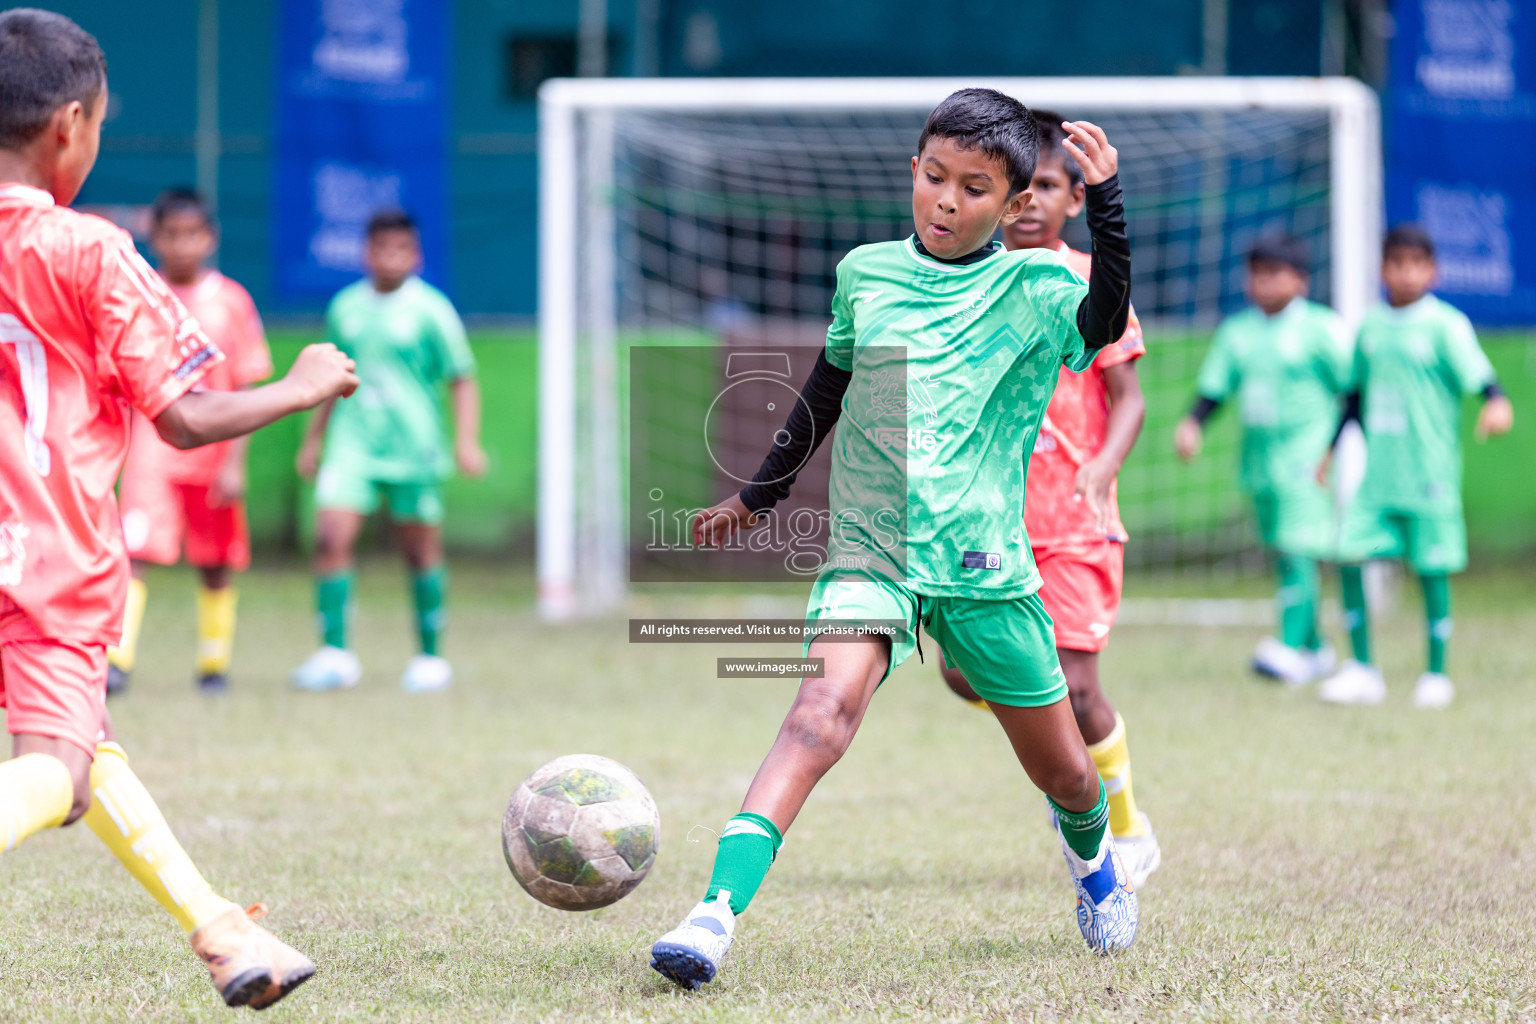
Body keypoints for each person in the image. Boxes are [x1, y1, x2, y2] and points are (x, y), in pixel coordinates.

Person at [649, 88, 1138, 991]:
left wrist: (1106, 205)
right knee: (817, 714)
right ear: (914, 170)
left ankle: (1097, 865)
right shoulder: (865, 273)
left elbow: (1103, 326)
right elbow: (827, 390)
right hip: (871, 550)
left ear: (1016, 201)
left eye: (976, 189)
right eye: (937, 178)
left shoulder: (1036, 287)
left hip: (985, 565)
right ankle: (711, 915)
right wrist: (758, 496)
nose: (948, 202)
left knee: (1067, 774)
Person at [0, 9, 358, 1009]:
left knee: (88, 747)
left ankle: (223, 933)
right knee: (56, 773)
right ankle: (221, 931)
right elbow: (187, 416)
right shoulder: (92, 252)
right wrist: (300, 384)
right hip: (43, 560)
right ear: (72, 126)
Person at [933, 109, 1157, 886]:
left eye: (1049, 188)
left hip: (1074, 522)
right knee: (959, 674)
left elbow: (1127, 396)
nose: (1029, 202)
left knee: (1079, 682)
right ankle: (1053, 741)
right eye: (1019, 189)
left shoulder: (1090, 280)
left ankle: (1124, 830)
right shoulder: (969, 279)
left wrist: (1102, 463)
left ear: (1070, 201)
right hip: (990, 520)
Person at [291, 208, 486, 694]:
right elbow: (327, 380)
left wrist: (465, 441)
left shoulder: (432, 311)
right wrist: (313, 439)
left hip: (413, 448)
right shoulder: (346, 308)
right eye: (381, 248)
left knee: (420, 549)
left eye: (401, 248)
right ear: (367, 252)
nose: (390, 257)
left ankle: (429, 658)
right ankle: (334, 654)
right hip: (352, 445)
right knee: (330, 536)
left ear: (415, 255)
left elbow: (462, 377)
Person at [1317, 224, 1513, 708]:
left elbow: (1482, 379)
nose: (1406, 273)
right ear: (1383, 270)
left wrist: (1496, 402)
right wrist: (1329, 448)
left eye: (1416, 264)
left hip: (1429, 476)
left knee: (1432, 569)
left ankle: (1436, 673)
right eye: (1397, 264)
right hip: (1377, 480)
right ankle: (1363, 669)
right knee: (1347, 552)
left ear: (1433, 270)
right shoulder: (1371, 328)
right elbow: (1354, 397)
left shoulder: (1446, 325)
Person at [107, 188, 273, 696]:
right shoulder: (139, 293)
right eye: (171, 234)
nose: (181, 245)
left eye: (192, 235)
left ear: (211, 239)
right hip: (152, 447)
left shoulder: (232, 301)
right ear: (154, 237)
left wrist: (235, 463)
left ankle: (213, 664)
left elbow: (246, 382)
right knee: (132, 552)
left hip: (214, 448)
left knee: (215, 560)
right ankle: (118, 661)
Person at [1174, 236, 1351, 685]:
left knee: (1298, 552)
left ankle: (1288, 648)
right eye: (1257, 273)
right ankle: (1315, 649)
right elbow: (1215, 388)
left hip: (1308, 461)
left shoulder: (1321, 329)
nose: (1264, 283)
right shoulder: (1239, 333)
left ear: (1300, 280)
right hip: (1260, 464)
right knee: (1284, 551)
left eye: (1274, 273)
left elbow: (1352, 388)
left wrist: (1335, 447)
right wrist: (1192, 424)